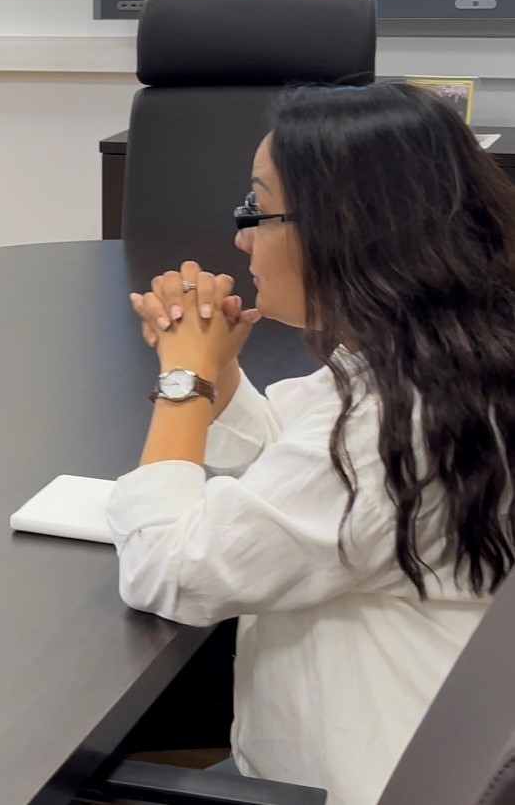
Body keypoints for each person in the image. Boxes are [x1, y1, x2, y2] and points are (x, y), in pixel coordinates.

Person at [107, 81, 515, 805]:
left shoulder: (384, 425)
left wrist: (183, 384)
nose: (241, 236)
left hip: (350, 787)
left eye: (258, 209)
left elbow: (167, 570)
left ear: (347, 228)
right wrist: (221, 374)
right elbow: (302, 478)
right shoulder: (450, 368)